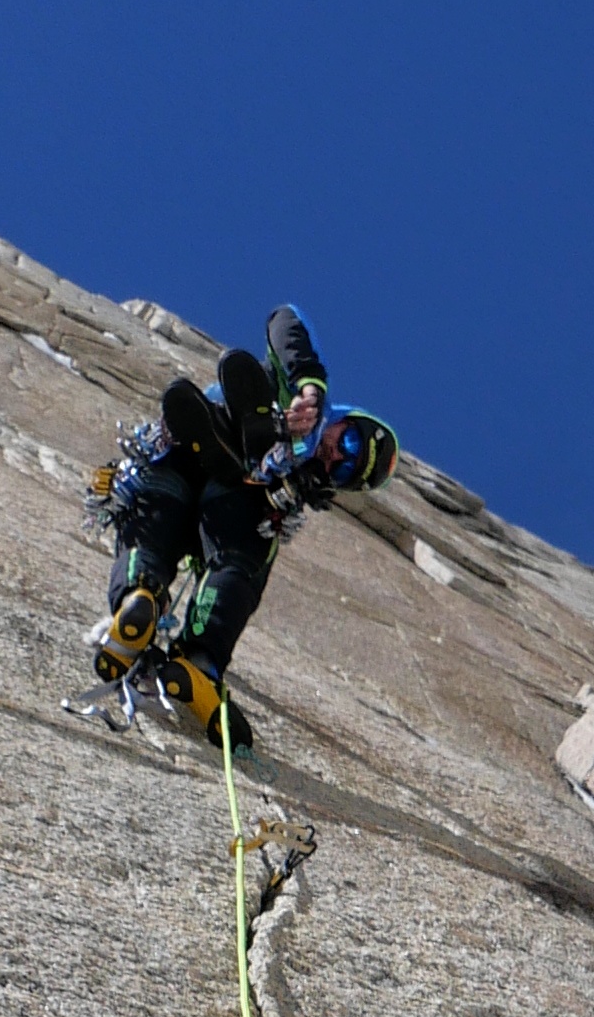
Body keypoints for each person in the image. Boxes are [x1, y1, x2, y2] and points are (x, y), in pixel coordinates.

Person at [90, 301, 398, 730]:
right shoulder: (301, 392)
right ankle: (198, 657)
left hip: (205, 485)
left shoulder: (300, 487)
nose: (336, 457)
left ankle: (139, 602)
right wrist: (308, 385)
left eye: (344, 470)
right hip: (196, 457)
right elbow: (284, 318)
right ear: (347, 419)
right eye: (348, 444)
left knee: (169, 532)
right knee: (243, 555)